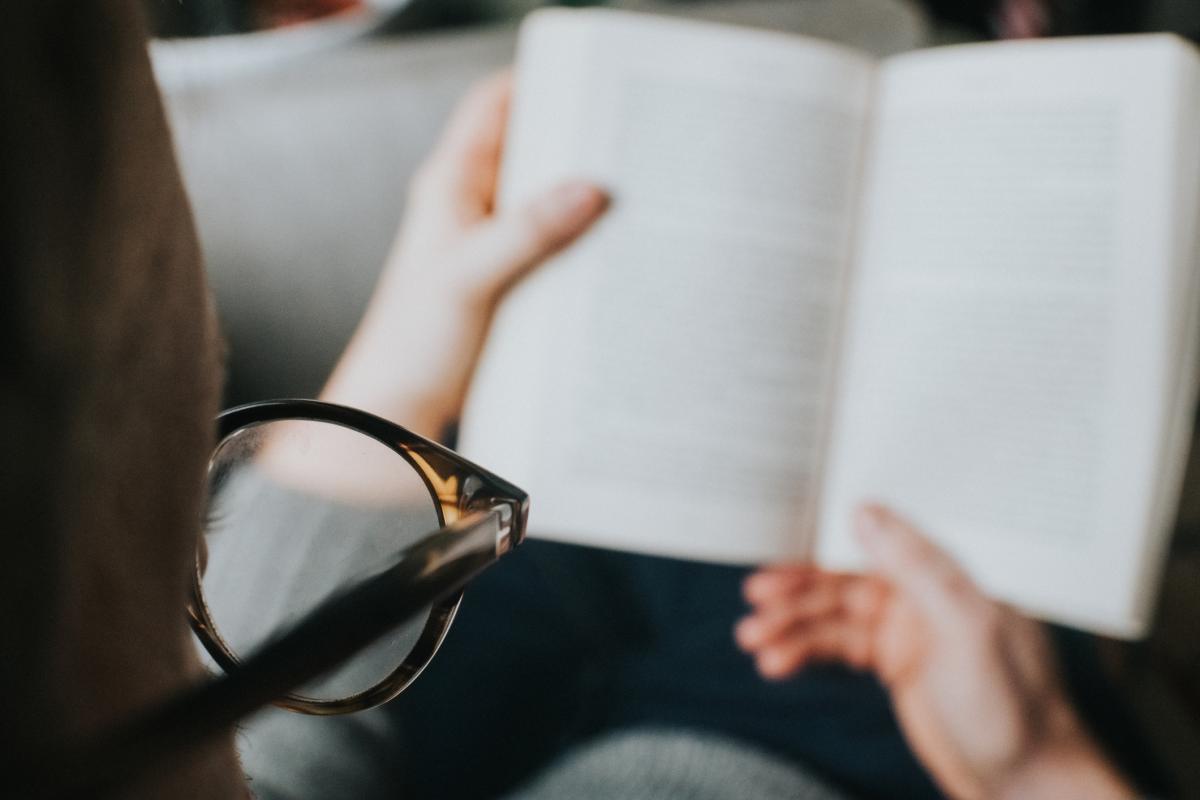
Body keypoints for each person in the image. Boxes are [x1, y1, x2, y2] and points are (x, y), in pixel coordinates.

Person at [1, 2, 1157, 799]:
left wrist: (407, 349)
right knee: (947, 555)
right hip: (812, 738)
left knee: (547, 490)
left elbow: (262, 750)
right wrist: (1036, 764)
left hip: (463, 701)